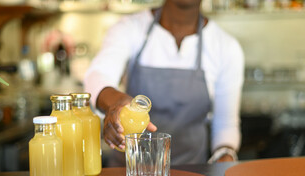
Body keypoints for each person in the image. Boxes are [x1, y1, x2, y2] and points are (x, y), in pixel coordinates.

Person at [83, 0, 244, 166]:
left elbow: (225, 123)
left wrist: (225, 154)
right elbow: (97, 75)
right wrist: (114, 102)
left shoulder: (226, 47)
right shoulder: (130, 28)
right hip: (128, 175)